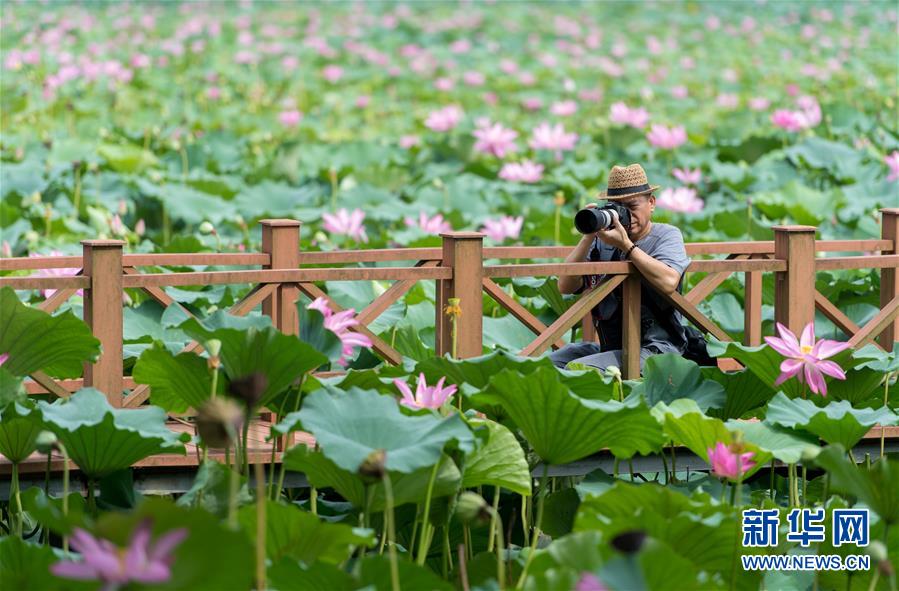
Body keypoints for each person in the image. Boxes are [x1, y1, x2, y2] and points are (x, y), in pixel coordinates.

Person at [550, 163, 692, 372]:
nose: (626, 216)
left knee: (578, 370)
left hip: (658, 349)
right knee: (549, 364)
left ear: (651, 203)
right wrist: (589, 235)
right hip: (613, 348)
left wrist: (626, 246)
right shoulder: (602, 240)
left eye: (632, 207)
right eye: (618, 209)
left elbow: (669, 281)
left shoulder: (667, 235)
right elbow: (565, 285)